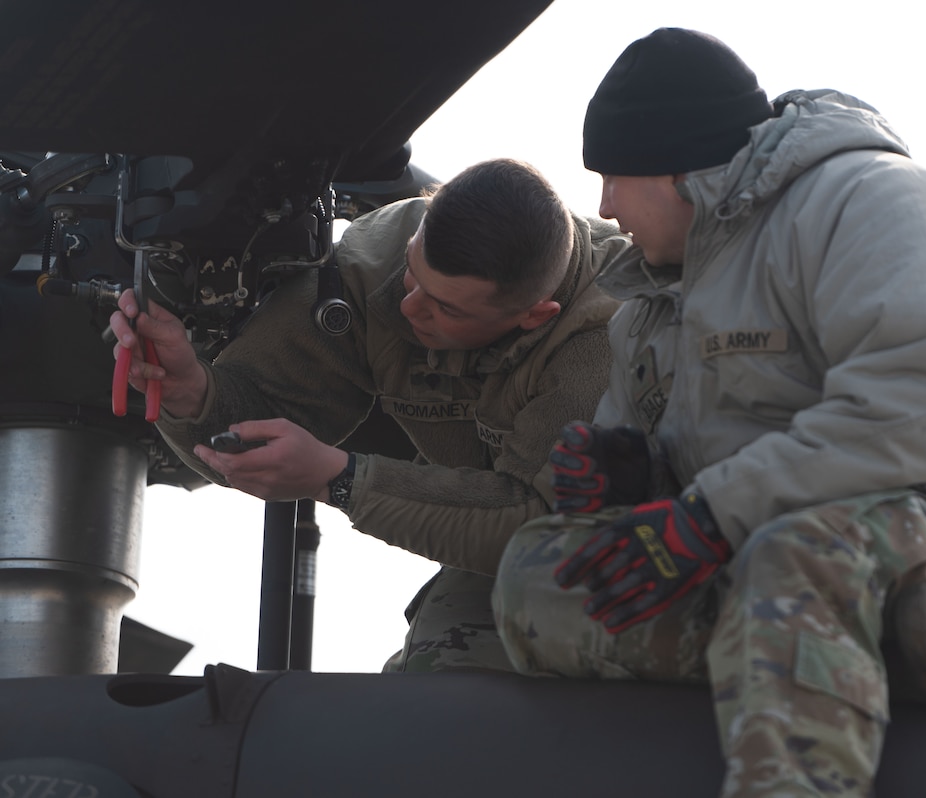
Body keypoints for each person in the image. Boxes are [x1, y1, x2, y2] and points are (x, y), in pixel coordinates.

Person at [490, 29, 926, 797]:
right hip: (778, 569)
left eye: (616, 178)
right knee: (545, 572)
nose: (604, 207)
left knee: (803, 554)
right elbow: (696, 512)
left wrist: (711, 514)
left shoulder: (874, 203)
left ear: (681, 169)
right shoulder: (649, 308)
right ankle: (790, 692)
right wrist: (641, 482)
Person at [110, 157, 630, 673]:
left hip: (628, 543)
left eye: (446, 309)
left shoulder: (606, 336)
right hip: (511, 533)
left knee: (456, 687)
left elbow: (538, 524)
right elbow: (261, 410)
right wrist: (191, 392)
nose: (409, 308)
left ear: (535, 315)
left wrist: (341, 481)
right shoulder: (373, 265)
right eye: (413, 271)